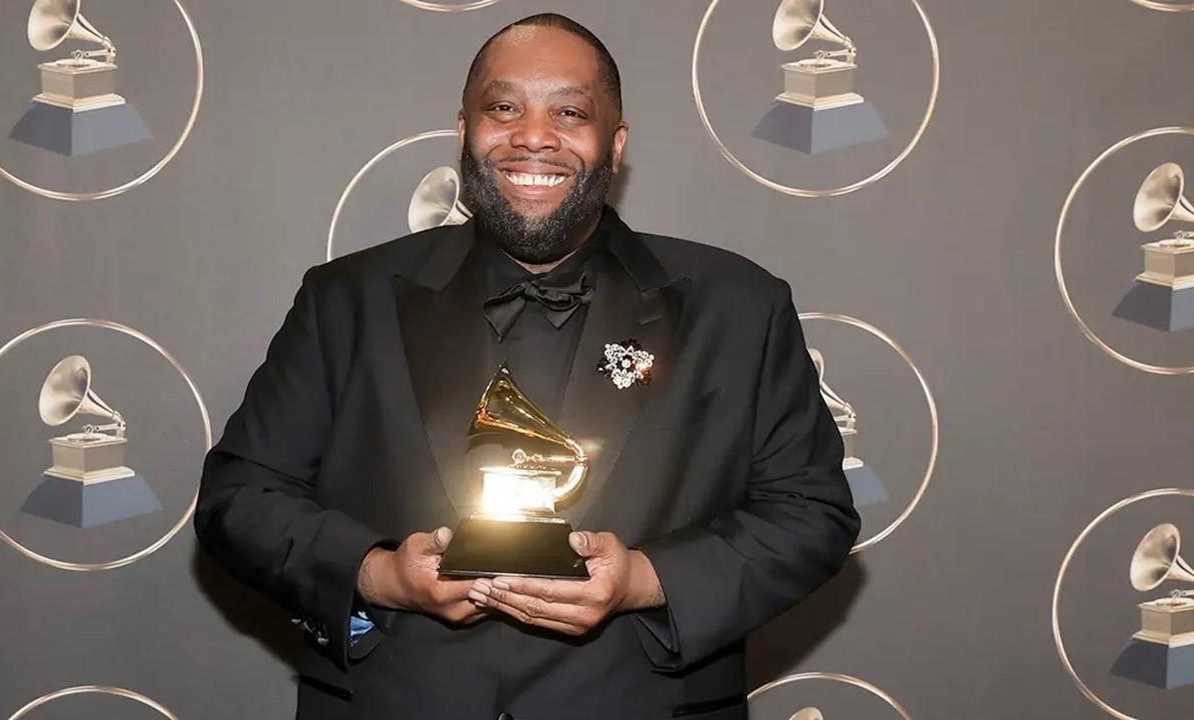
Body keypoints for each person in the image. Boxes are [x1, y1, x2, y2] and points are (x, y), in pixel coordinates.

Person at [195, 12, 859, 720]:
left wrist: (644, 580)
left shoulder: (738, 306)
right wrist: (379, 574)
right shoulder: (345, 299)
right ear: (464, 130)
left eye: (570, 112)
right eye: (503, 108)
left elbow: (810, 514)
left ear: (615, 143)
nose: (533, 136)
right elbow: (240, 498)